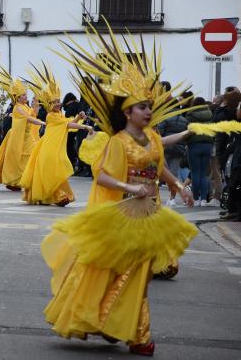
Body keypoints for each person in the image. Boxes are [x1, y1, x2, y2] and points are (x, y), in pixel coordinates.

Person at [42, 23, 197, 356]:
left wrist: (178, 187)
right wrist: (130, 187)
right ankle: (129, 330)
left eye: (149, 107)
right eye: (142, 107)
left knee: (139, 274)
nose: (148, 112)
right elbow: (102, 178)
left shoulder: (153, 137)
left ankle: (129, 330)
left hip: (150, 214)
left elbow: (159, 168)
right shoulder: (117, 142)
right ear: (128, 111)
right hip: (122, 214)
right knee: (122, 272)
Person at [20, 65, 93, 206]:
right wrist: (85, 125)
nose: (58, 104)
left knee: (55, 171)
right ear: (49, 104)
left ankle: (58, 196)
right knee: (53, 171)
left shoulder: (58, 114)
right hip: (49, 148)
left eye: (59, 102)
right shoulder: (50, 116)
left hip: (54, 148)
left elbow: (67, 123)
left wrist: (78, 117)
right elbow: (68, 125)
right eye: (55, 103)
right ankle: (57, 196)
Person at [0, 68, 43, 190]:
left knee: (31, 156)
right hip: (19, 136)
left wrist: (37, 101)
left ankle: (27, 179)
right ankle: (17, 180)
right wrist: (41, 122)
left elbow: (33, 113)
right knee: (21, 159)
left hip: (27, 136)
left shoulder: (26, 106)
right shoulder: (18, 108)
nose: (25, 96)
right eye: (23, 95)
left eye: (25, 94)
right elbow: (28, 118)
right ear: (17, 97)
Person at [185, 96, 214, 206]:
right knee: (204, 173)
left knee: (195, 173)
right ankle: (204, 200)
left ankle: (196, 199)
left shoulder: (190, 115)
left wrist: (186, 141)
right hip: (208, 145)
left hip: (194, 145)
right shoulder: (210, 114)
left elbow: (186, 130)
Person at [62, 92, 80, 167]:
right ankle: (77, 162)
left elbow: (67, 118)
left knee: (69, 146)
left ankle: (72, 163)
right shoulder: (78, 104)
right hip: (79, 128)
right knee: (76, 146)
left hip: (71, 129)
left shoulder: (70, 107)